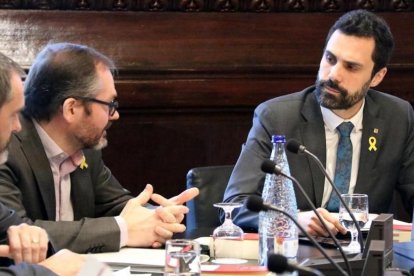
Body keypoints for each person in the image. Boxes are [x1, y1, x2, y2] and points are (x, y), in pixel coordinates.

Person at [223, 9, 414, 237]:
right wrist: (292, 219)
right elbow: (235, 206)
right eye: (330, 59)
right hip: (298, 257)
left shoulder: (398, 117)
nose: (333, 74)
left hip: (365, 259)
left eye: (351, 67)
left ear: (377, 77)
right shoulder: (276, 117)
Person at [0, 42, 199, 254]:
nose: (115, 115)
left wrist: (157, 217)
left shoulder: (86, 148)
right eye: (109, 104)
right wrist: (123, 230)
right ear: (72, 109)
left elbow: (117, 206)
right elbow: (18, 234)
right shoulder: (6, 149)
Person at [0, 50, 100, 275]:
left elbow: (18, 229)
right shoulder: (12, 156)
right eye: (13, 114)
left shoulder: (86, 148)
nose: (18, 126)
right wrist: (46, 271)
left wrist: (33, 237)